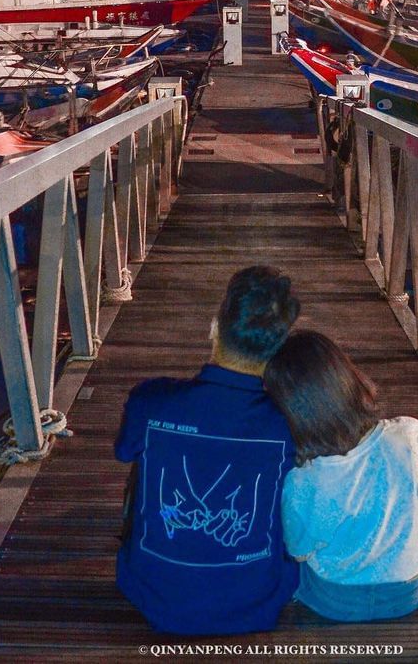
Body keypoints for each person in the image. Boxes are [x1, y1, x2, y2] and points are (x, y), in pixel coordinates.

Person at [114, 265, 301, 635]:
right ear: (279, 349)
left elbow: (123, 452)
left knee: (145, 452)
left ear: (215, 326)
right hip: (257, 602)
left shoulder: (151, 400)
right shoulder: (287, 422)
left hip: (153, 596)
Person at [263, 330, 418, 622]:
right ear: (347, 377)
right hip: (411, 591)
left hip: (337, 601)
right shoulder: (411, 434)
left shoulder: (303, 481)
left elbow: (299, 552)